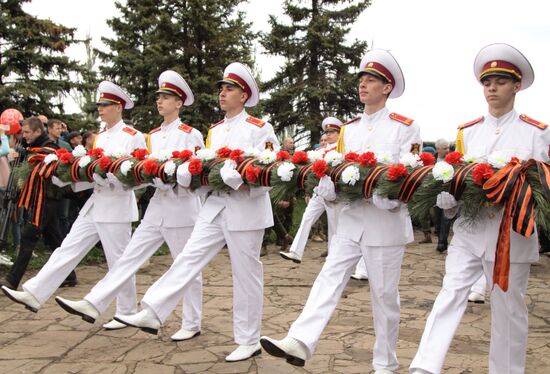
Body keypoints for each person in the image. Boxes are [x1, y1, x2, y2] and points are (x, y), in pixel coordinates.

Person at [260, 49, 421, 374]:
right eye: (361, 78)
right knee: (327, 279)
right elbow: (338, 171)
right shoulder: (350, 129)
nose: (363, 84)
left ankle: (385, 364)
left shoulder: (405, 127)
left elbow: (411, 176)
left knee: (384, 299)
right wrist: (329, 189)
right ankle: (300, 340)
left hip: (384, 223)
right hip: (349, 221)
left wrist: (384, 194)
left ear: (387, 87)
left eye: (372, 79)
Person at [114, 62, 279, 362]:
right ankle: (153, 311)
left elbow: (269, 172)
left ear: (243, 96)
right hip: (214, 207)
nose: (222, 93)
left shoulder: (260, 128)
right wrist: (196, 182)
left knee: (245, 275)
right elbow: (206, 170)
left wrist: (242, 182)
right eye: (221, 89)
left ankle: (248, 339)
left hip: (246, 210)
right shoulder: (214, 131)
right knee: (188, 259)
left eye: (229, 89)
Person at [409, 43, 550, 374]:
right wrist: (449, 200)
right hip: (470, 230)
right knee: (450, 293)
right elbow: (456, 178)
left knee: (508, 310)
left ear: (516, 86)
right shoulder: (467, 131)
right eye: (487, 82)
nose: (492, 88)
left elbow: (542, 184)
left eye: (500, 82)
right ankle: (424, 366)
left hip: (511, 234)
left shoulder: (536, 132)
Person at [55, 70, 205, 342]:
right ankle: (94, 302)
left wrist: (168, 177)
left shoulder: (190, 134)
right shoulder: (152, 136)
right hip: (157, 207)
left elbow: (194, 175)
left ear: (179, 103)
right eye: (159, 96)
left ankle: (191, 321)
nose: (160, 101)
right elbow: (142, 171)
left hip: (183, 209)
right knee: (127, 259)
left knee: (186, 268)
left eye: (167, 97)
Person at [1, 81, 146, 331]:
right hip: (95, 203)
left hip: (117, 206)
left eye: (105, 105)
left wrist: (106, 176)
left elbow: (138, 176)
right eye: (99, 105)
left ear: (118, 107)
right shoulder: (100, 137)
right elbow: (90, 173)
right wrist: (64, 176)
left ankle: (126, 310)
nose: (100, 109)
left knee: (118, 262)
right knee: (66, 249)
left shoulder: (133, 137)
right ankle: (35, 292)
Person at [3, 117, 76, 290]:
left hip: (46, 200)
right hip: (41, 200)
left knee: (28, 237)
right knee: (55, 239)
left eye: (27, 132)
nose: (24, 135)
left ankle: (12, 280)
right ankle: (70, 275)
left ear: (38, 131)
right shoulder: (33, 148)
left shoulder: (49, 149)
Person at [279, 117, 344, 263]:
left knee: (335, 226)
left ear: (340, 133)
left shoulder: (343, 149)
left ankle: (334, 258)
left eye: (332, 132)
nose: (328, 135)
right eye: (327, 131)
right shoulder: (319, 151)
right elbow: (309, 173)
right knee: (307, 218)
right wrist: (308, 192)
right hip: (319, 192)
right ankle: (295, 251)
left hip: (336, 193)